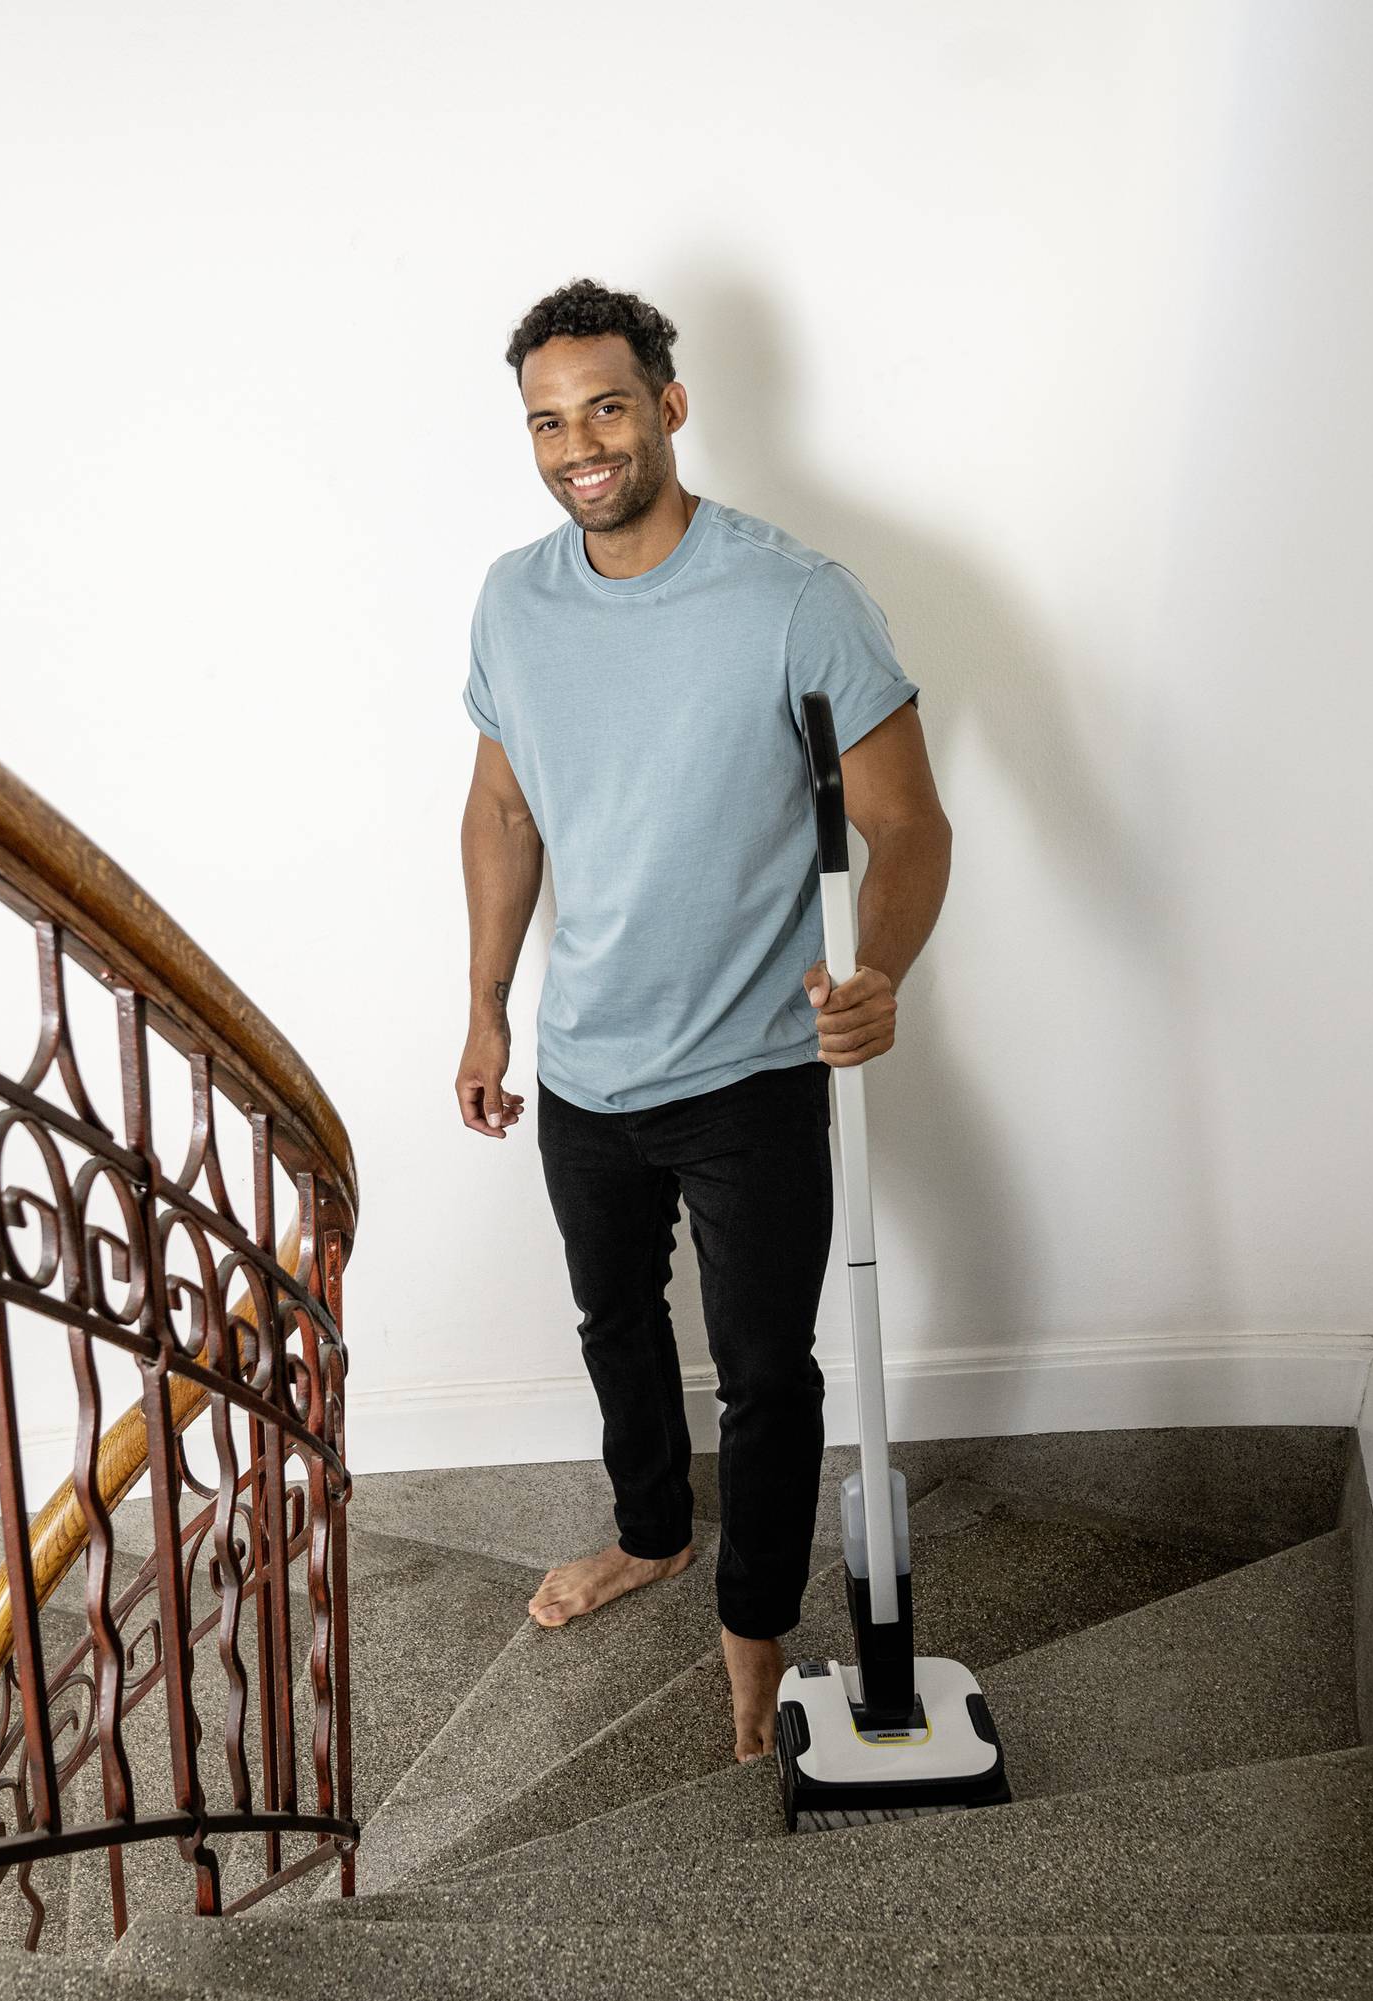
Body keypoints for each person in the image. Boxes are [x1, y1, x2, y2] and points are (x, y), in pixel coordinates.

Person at [454, 278, 953, 1760]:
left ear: (669, 407)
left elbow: (908, 822)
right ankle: (653, 1532)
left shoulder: (794, 596)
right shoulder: (513, 599)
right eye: (547, 421)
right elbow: (500, 803)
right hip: (584, 1065)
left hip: (754, 1069)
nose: (577, 447)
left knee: (768, 1371)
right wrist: (485, 1004)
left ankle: (755, 1625)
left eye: (606, 407)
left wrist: (885, 975)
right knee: (616, 1325)